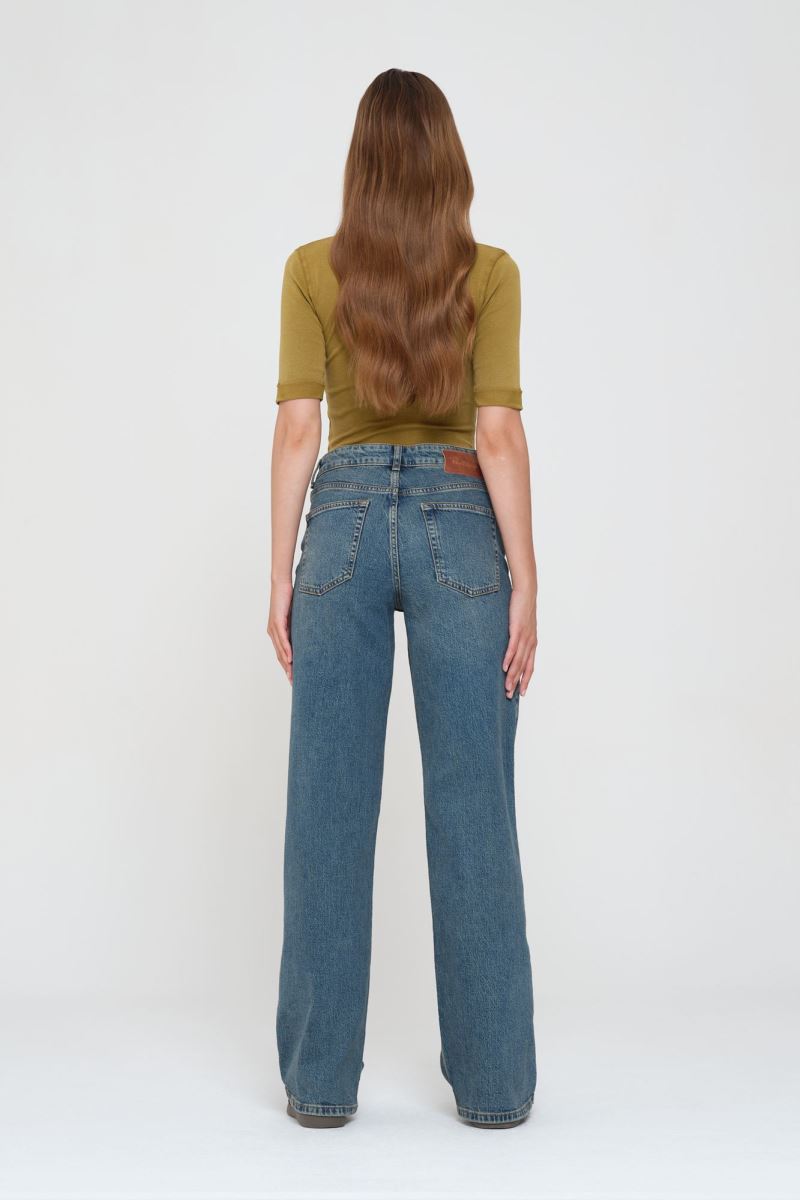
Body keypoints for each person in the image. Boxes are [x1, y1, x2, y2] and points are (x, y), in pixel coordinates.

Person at [269, 68, 538, 1130]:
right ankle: (496, 1088)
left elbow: (300, 427)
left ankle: (318, 1087)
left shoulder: (308, 269)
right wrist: (525, 577)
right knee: (475, 813)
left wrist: (279, 573)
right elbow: (498, 436)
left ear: (360, 164)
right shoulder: (492, 274)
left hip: (337, 522)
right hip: (459, 519)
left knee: (325, 811)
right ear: (447, 164)